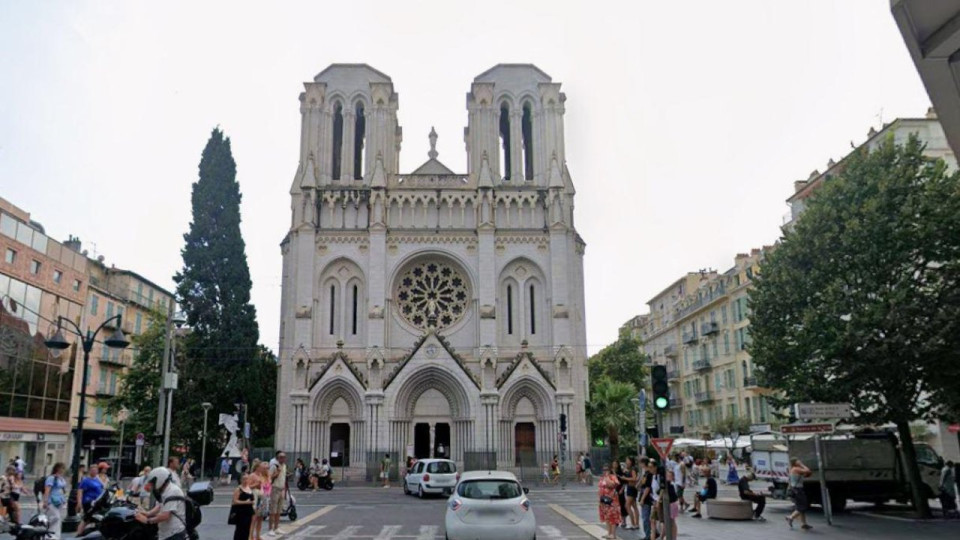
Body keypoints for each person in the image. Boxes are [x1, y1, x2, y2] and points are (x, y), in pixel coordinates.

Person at [135, 467, 188, 540]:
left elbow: (165, 516)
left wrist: (147, 521)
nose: (152, 485)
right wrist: (148, 513)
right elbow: (160, 505)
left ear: (160, 479)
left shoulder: (173, 491)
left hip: (174, 533)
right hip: (166, 533)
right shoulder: (164, 490)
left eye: (153, 482)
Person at [41, 462, 67, 540]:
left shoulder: (61, 478)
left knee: (58, 518)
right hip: (52, 500)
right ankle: (50, 534)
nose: (63, 470)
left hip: (59, 500)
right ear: (57, 468)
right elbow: (47, 490)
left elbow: (63, 488)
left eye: (63, 468)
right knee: (55, 517)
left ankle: (56, 535)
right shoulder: (52, 478)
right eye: (62, 468)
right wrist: (45, 501)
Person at [785, 457, 812, 531]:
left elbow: (807, 474)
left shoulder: (792, 469)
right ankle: (790, 517)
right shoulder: (796, 469)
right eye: (798, 460)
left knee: (800, 506)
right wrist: (802, 465)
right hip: (798, 490)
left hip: (795, 489)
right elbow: (808, 470)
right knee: (802, 506)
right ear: (795, 462)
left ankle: (804, 524)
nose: (800, 461)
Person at [77, 466, 105, 534]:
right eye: (93, 470)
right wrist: (79, 502)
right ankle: (79, 533)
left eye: (96, 470)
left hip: (97, 502)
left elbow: (103, 487)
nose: (94, 472)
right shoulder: (86, 480)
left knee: (93, 518)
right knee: (87, 518)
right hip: (89, 501)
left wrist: (99, 478)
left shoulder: (97, 479)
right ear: (90, 471)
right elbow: (80, 491)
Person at [597, 464, 622, 540]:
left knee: (613, 517)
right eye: (604, 470)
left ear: (610, 470)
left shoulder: (612, 477)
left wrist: (607, 478)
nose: (605, 471)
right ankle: (609, 532)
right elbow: (600, 487)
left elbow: (613, 485)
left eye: (607, 469)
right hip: (603, 500)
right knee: (606, 516)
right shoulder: (602, 478)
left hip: (611, 501)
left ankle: (613, 534)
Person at [268, 451, 288, 536]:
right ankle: (270, 529)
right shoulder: (274, 466)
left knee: (279, 510)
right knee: (273, 510)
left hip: (281, 489)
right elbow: (269, 477)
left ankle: (276, 527)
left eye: (284, 457)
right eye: (281, 457)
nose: (283, 459)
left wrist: (285, 488)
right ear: (278, 458)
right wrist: (277, 472)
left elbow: (284, 478)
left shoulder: (284, 466)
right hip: (275, 489)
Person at [231, 473, 256, 540]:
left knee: (247, 530)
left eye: (247, 479)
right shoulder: (238, 489)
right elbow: (235, 501)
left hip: (249, 512)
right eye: (244, 479)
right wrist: (246, 502)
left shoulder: (249, 488)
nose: (246, 480)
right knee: (240, 530)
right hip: (241, 513)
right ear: (240, 480)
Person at [251, 461, 270, 540]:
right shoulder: (252, 475)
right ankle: (251, 536)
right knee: (254, 518)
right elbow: (248, 486)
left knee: (260, 518)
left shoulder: (262, 475)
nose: (263, 469)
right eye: (262, 467)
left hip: (263, 497)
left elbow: (267, 485)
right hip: (256, 498)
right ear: (257, 467)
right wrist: (256, 485)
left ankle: (258, 535)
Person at [637, 459, 655, 540]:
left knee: (645, 518)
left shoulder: (649, 474)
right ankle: (650, 534)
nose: (640, 465)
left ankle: (648, 536)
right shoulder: (646, 473)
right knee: (646, 517)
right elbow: (642, 484)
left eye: (640, 463)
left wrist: (642, 499)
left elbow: (648, 487)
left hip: (647, 498)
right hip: (644, 496)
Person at [620, 457, 640, 530]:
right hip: (630, 488)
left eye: (627, 460)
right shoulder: (630, 469)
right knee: (634, 506)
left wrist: (625, 478)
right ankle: (636, 523)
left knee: (627, 505)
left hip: (631, 488)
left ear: (631, 461)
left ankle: (633, 523)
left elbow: (634, 478)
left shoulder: (633, 469)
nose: (626, 462)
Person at [611, 461, 628, 529]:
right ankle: (616, 520)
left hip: (620, 490)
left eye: (615, 464)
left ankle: (624, 520)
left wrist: (622, 489)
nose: (614, 465)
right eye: (613, 464)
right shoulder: (611, 472)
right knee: (614, 506)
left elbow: (624, 482)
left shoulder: (620, 472)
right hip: (613, 491)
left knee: (622, 505)